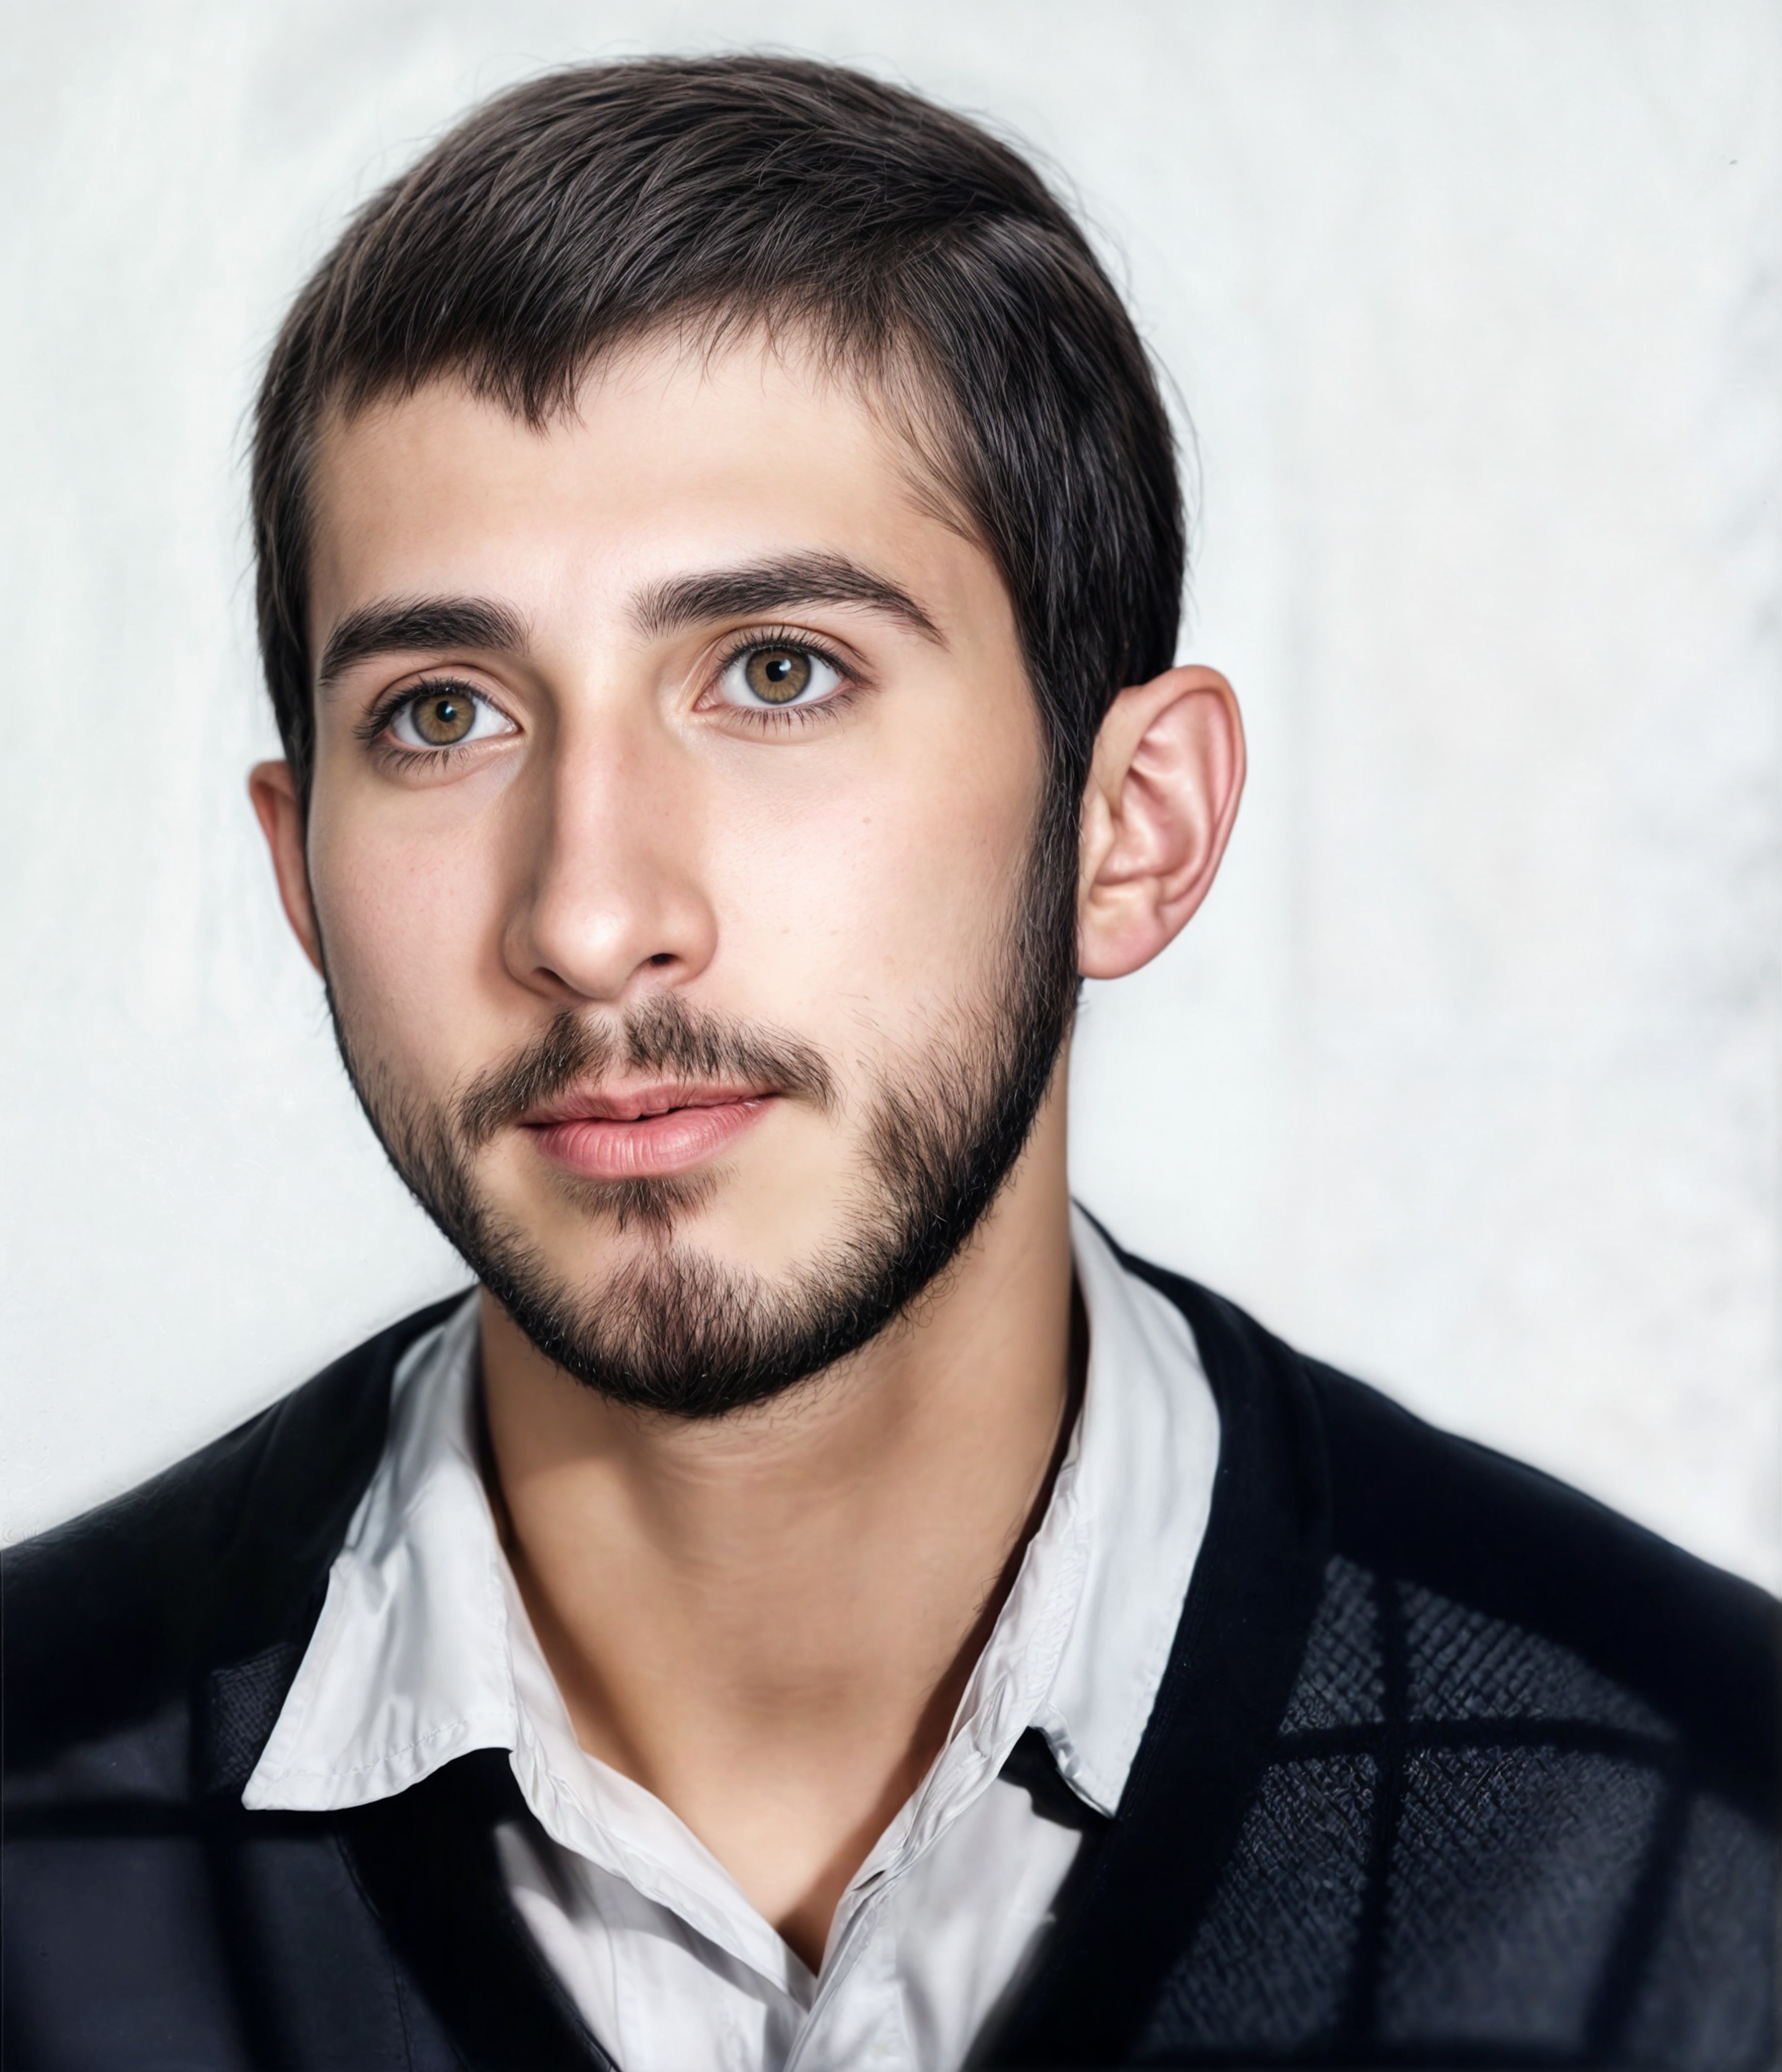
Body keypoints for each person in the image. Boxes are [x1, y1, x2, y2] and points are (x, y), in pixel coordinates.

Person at [3, 55, 1774, 2072]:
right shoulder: (41, 1796)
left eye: (777, 672)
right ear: (298, 869)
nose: (588, 915)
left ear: (1131, 826)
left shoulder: (1700, 1831)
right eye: (440, 714)